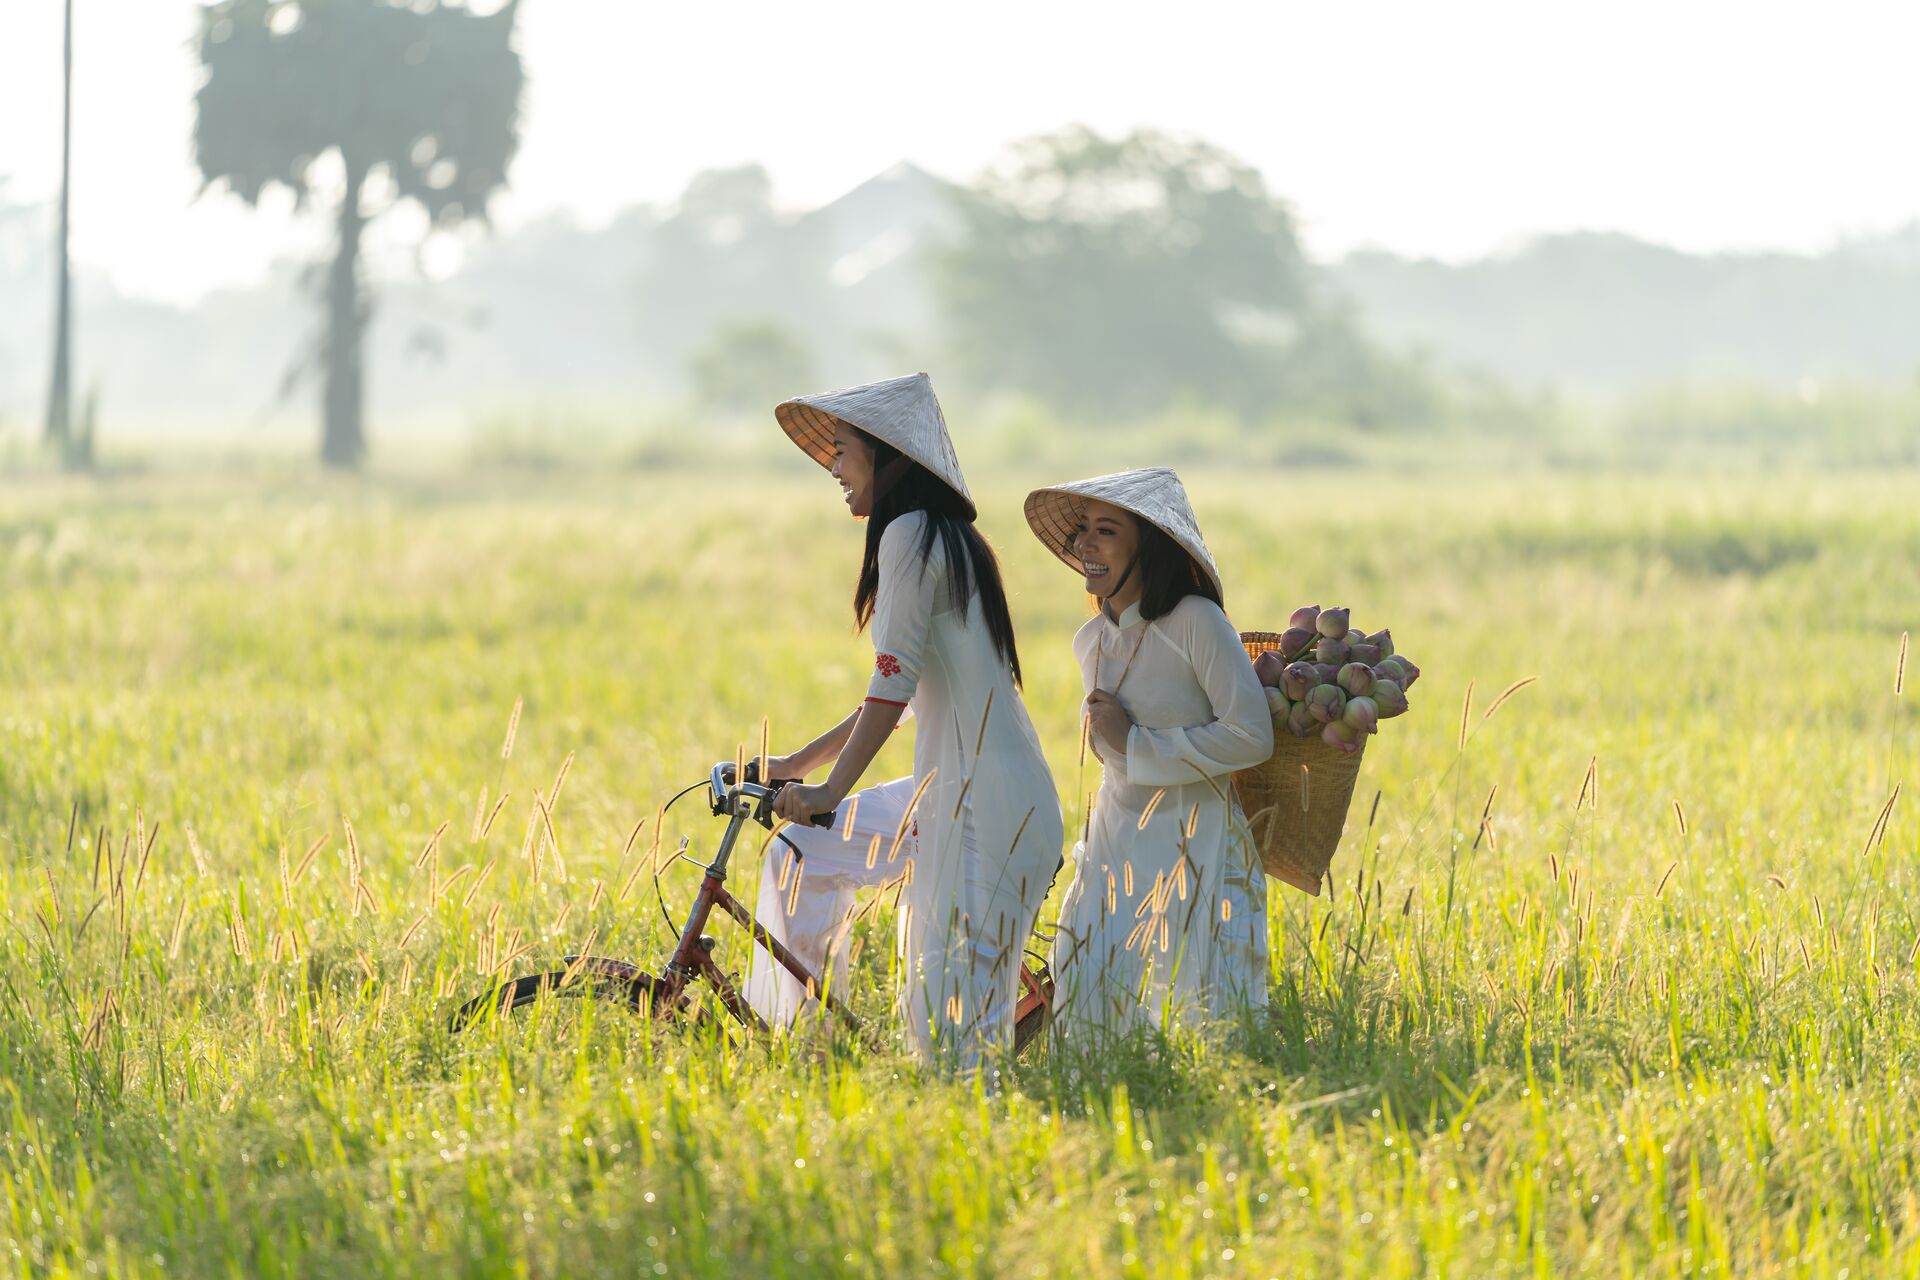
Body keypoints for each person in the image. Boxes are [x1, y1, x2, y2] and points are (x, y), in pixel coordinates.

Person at [745, 373, 1064, 1067]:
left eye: (842, 450)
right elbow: (902, 689)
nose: (832, 467)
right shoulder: (940, 537)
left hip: (988, 804)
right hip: (949, 791)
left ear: (887, 455)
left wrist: (828, 793)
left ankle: (986, 1110)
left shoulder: (915, 535)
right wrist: (798, 764)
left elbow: (891, 685)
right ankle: (815, 1056)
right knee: (799, 855)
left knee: (955, 1042)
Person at [1024, 468, 1272, 1039]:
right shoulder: (1090, 640)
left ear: (1149, 548)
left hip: (1197, 841)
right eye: (1081, 530)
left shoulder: (1196, 622)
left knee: (1201, 1018)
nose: (1085, 545)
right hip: (1115, 839)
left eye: (1105, 531)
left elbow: (1252, 736)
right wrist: (1121, 750)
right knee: (1085, 994)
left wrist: (1136, 744)